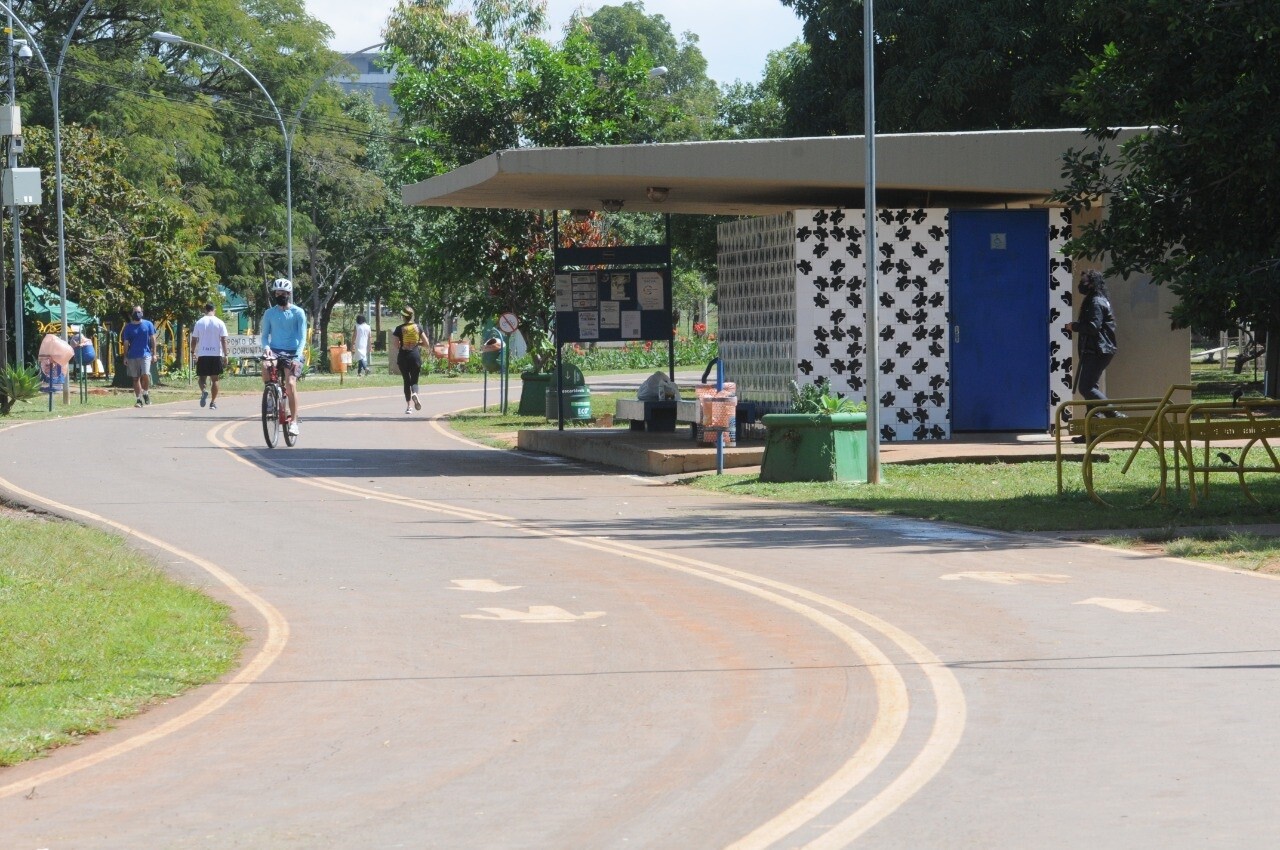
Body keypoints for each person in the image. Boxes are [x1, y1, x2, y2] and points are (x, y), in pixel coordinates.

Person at [1064, 269, 1119, 420]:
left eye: (1084, 281)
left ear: (1092, 284)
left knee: (1086, 387)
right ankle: (1092, 430)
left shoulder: (1096, 301)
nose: (1081, 284)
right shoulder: (1095, 299)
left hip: (1098, 351)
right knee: (1091, 388)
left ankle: (1114, 414)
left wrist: (1073, 326)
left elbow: (1093, 327)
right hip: (1095, 350)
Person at [260, 278, 308, 437]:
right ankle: (270, 396)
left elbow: (302, 338)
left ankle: (294, 422)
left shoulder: (298, 312)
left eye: (283, 293)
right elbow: (265, 336)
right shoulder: (269, 313)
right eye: (277, 293)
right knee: (266, 365)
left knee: (290, 383)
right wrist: (266, 348)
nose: (280, 295)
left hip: (293, 352)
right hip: (274, 350)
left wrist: (297, 356)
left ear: (289, 294)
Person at [191, 302, 229, 410]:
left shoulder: (199, 322)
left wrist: (193, 352)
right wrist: (226, 355)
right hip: (216, 354)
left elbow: (194, 339)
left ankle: (204, 391)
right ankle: (213, 402)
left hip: (203, 354)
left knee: (202, 378)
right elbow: (224, 340)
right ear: (214, 310)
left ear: (205, 310)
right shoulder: (220, 322)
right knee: (215, 379)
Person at [121, 306, 157, 407]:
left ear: (142, 312)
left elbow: (153, 339)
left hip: (145, 354)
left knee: (145, 374)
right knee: (135, 378)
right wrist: (125, 356)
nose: (137, 313)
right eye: (135, 312)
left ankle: (145, 392)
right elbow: (126, 343)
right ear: (132, 313)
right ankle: (138, 399)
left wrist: (154, 353)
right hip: (133, 355)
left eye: (139, 311)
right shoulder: (128, 327)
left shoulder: (148, 324)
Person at [393, 307, 426, 414]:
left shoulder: (399, 329)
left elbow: (396, 345)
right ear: (412, 316)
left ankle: (409, 407)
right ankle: (415, 393)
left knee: (406, 381)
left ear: (403, 317)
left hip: (403, 357)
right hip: (415, 356)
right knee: (414, 380)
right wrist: (417, 343)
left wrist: (403, 345)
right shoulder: (418, 327)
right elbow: (427, 344)